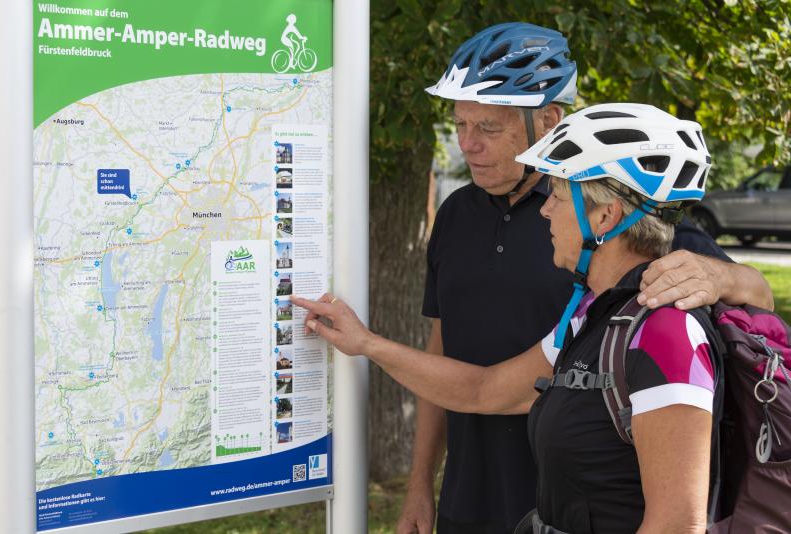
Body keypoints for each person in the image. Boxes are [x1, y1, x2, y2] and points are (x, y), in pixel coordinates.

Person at [368, 22, 772, 534]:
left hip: (576, 497)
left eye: (488, 128)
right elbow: (464, 369)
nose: (468, 144)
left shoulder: (616, 206)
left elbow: (752, 296)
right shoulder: (457, 218)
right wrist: (419, 481)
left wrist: (716, 274)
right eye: (460, 125)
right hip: (472, 498)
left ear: (548, 120)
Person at [292, 103, 734, 532]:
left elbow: (677, 523)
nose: (545, 209)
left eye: (559, 195)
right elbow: (484, 390)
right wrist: (366, 343)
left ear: (605, 216)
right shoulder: (591, 317)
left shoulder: (665, 335)